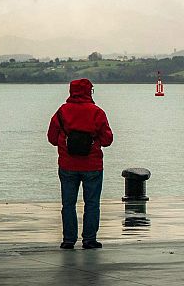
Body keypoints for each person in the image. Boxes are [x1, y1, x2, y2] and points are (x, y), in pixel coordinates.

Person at [47, 78, 113, 249]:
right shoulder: (97, 112)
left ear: (71, 91)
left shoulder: (62, 112)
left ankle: (69, 240)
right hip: (92, 166)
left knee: (68, 204)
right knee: (92, 203)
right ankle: (89, 239)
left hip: (68, 165)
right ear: (89, 91)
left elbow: (52, 138)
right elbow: (107, 140)